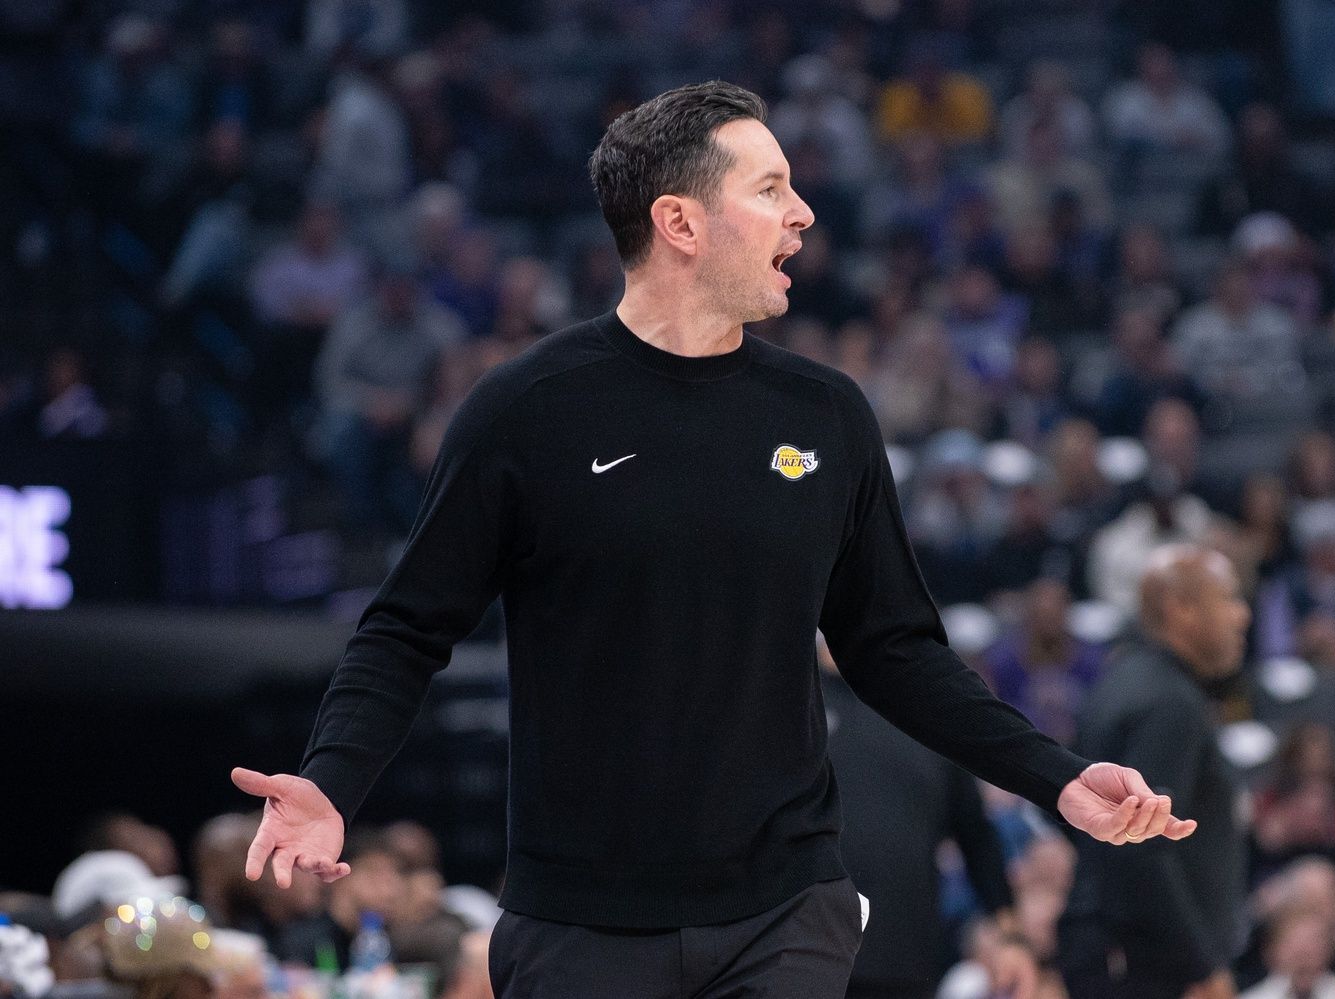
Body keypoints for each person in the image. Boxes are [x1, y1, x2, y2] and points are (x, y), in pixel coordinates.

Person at [231, 80, 1195, 999]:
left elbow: (894, 650)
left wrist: (1055, 778)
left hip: (785, 906)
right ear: (679, 223)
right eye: (769, 188)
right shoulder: (526, 412)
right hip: (581, 918)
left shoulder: (827, 415)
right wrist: (330, 779)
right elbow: (405, 628)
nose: (803, 212)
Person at [1061, 543, 1251, 999]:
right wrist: (1200, 966)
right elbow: (1141, 842)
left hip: (1116, 951)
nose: (1242, 615)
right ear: (1180, 609)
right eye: (1228, 598)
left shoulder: (1126, 681)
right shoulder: (1170, 704)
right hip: (1149, 969)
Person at [819, 637, 1035, 999]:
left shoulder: (923, 710)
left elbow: (976, 837)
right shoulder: (789, 700)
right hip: (803, 955)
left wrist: (1011, 938)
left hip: (905, 960)